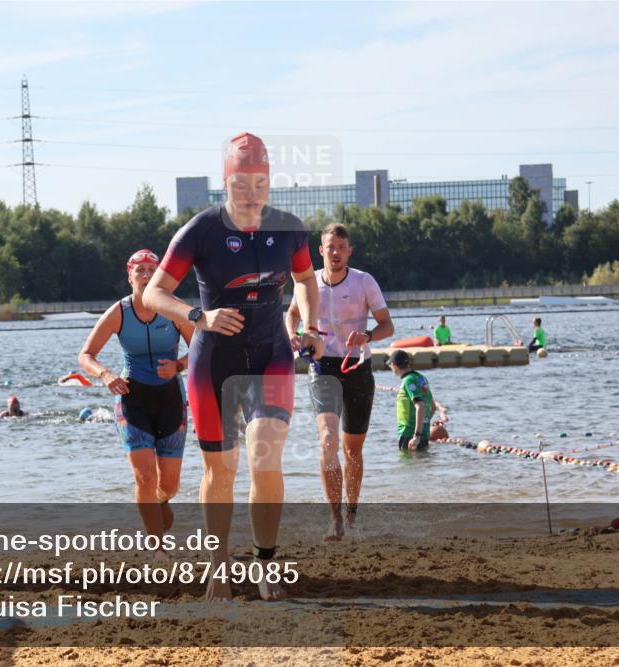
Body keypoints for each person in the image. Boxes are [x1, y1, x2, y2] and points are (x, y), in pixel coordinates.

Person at [144, 131, 324, 601]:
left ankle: (265, 564)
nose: (252, 190)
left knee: (265, 454)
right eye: (242, 180)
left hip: (271, 354)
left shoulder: (288, 228)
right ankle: (218, 566)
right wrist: (199, 315)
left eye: (260, 180)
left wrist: (311, 325)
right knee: (220, 472)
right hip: (214, 363)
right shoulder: (200, 230)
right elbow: (153, 293)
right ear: (227, 181)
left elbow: (305, 279)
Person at [79, 249, 195, 554]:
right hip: (133, 399)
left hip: (170, 398)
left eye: (150, 270)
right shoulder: (120, 311)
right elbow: (86, 355)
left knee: (169, 484)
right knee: (144, 476)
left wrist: (178, 366)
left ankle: (162, 501)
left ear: (159, 275)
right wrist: (105, 375)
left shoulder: (174, 309)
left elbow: (203, 347)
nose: (145, 275)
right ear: (129, 276)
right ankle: (157, 547)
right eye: (139, 270)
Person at [285, 223, 393, 541]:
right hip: (321, 366)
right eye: (330, 247)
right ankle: (334, 519)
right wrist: (292, 334)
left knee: (353, 450)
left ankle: (352, 512)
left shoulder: (363, 281)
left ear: (349, 251)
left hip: (357, 365)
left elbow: (387, 324)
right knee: (327, 440)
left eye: (341, 247)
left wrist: (369, 334)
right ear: (321, 250)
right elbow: (291, 313)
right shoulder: (308, 283)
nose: (335, 252)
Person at [389, 350, 435, 452]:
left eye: (390, 365)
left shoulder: (408, 381)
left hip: (409, 435)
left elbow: (420, 406)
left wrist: (416, 435)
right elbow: (433, 407)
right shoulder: (422, 378)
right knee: (422, 464)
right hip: (424, 433)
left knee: (407, 466)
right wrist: (424, 425)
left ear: (394, 365)